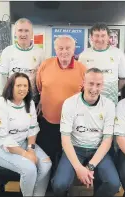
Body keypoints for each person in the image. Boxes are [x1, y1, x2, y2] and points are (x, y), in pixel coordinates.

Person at [52, 68, 120, 197]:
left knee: (113, 184)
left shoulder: (109, 105)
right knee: (59, 185)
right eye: (91, 83)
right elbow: (65, 140)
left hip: (97, 149)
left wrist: (90, 167)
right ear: (83, 83)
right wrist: (78, 168)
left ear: (103, 85)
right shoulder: (70, 103)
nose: (94, 88)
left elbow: (107, 141)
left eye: (98, 84)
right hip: (75, 148)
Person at [0, 72, 52, 196]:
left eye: (25, 86)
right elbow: (3, 139)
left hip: (22, 143)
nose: (22, 89)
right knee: (29, 169)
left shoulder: (30, 103)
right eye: (18, 85)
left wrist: (31, 149)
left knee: (46, 164)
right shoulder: (0, 105)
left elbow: (33, 128)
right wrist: (26, 154)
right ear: (11, 87)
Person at [36, 35, 87, 171]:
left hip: (72, 124)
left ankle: (63, 186)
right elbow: (40, 87)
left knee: (67, 158)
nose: (64, 51)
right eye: (60, 48)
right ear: (55, 49)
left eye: (68, 48)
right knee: (48, 156)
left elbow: (85, 95)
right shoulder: (45, 65)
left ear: (74, 49)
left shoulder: (82, 69)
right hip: (48, 122)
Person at [79, 23, 125, 106]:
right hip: (90, 102)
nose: (100, 39)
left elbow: (123, 79)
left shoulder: (118, 53)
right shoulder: (84, 55)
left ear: (108, 37)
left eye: (103, 35)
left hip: (111, 101)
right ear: (91, 37)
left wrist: (111, 91)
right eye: (96, 35)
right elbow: (81, 80)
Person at [0, 18, 45, 105]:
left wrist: (43, 98)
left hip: (33, 99)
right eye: (20, 30)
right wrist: (2, 97)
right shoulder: (7, 51)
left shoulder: (40, 52)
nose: (23, 34)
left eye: (27, 31)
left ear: (32, 33)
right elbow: (2, 77)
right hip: (12, 98)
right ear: (15, 33)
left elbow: (44, 79)